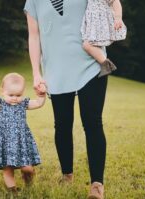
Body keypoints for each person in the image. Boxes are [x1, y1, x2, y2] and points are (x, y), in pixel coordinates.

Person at [24, 0, 113, 198]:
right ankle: (67, 175)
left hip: (91, 65)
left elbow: (110, 4)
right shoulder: (33, 2)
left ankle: (97, 185)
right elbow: (34, 36)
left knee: (93, 123)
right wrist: (37, 73)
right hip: (56, 70)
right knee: (62, 125)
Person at [0, 73, 46, 194]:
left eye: (18, 95)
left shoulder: (23, 103)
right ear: (2, 91)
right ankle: (12, 191)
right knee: (8, 168)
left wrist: (41, 95)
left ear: (23, 92)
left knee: (27, 168)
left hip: (21, 141)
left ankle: (28, 182)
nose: (14, 98)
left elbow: (39, 103)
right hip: (5, 141)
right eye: (11, 95)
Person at [81, 0, 127, 76]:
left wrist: (118, 18)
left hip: (101, 23)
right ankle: (105, 64)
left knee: (87, 45)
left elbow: (115, 1)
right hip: (94, 22)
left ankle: (106, 65)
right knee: (88, 45)